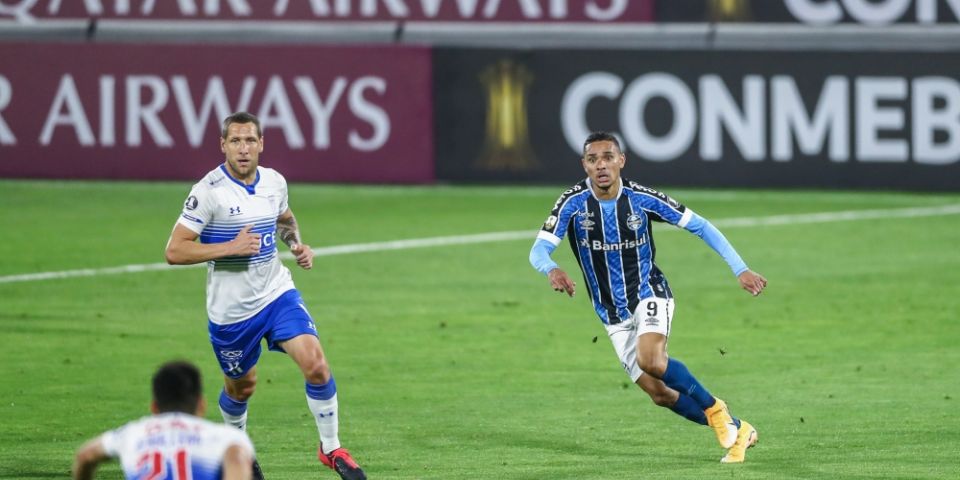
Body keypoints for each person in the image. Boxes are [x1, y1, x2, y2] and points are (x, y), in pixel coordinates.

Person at [529, 131, 767, 463]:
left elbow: (700, 225)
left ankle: (715, 408)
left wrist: (740, 268)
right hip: (611, 313)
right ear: (584, 165)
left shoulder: (641, 199)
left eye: (608, 157)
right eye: (593, 159)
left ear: (621, 160)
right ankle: (739, 429)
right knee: (660, 394)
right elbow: (538, 250)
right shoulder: (572, 203)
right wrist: (551, 269)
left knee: (651, 360)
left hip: (648, 292)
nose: (601, 165)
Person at [164, 112, 365, 480]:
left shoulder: (274, 181)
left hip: (276, 294)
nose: (243, 149)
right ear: (223, 145)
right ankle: (239, 451)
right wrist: (231, 247)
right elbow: (175, 250)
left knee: (316, 364)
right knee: (242, 388)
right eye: (235, 141)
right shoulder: (208, 192)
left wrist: (296, 244)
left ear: (261, 144)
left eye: (249, 141)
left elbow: (284, 219)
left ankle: (331, 448)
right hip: (231, 313)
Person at [72, 361, 255, 480]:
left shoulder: (131, 434)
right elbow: (237, 460)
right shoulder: (225, 437)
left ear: (154, 408)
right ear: (201, 404)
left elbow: (85, 456)